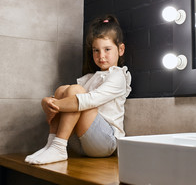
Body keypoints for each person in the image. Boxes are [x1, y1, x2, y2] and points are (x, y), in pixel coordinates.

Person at [25, 14, 132, 165]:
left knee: (75, 91)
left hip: (105, 143)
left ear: (120, 49)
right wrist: (47, 101)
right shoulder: (89, 77)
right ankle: (52, 145)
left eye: (107, 49)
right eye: (96, 50)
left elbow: (89, 100)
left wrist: (51, 105)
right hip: (82, 142)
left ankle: (59, 147)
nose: (101, 56)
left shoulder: (118, 76)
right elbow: (66, 97)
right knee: (64, 89)